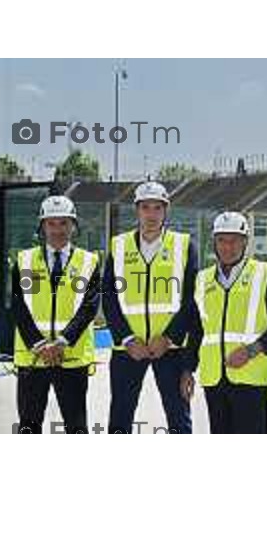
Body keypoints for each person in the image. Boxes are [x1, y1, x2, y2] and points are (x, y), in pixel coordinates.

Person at [103, 181, 198, 434]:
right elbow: (109, 297)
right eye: (146, 207)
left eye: (158, 207)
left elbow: (191, 299)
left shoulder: (184, 245)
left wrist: (169, 338)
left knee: (179, 419)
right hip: (128, 349)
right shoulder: (119, 246)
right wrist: (126, 338)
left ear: (166, 210)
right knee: (120, 418)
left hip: (170, 348)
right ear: (137, 210)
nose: (152, 214)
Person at [192, 211, 267, 434]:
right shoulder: (202, 279)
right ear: (214, 242)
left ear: (245, 241)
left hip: (250, 378)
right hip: (214, 379)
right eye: (222, 240)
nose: (228, 247)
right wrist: (188, 369)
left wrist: (251, 351)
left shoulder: (265, 274)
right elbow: (198, 329)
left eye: (234, 240)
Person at [12, 195, 100, 434]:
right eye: (52, 223)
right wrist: (39, 345)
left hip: (70, 357)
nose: (58, 230)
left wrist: (61, 342)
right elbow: (19, 307)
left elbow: (89, 307)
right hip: (33, 357)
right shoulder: (24, 260)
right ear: (42, 226)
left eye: (64, 223)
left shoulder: (89, 261)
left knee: (76, 428)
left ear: (73, 226)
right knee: (29, 427)